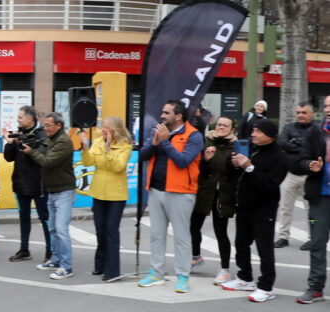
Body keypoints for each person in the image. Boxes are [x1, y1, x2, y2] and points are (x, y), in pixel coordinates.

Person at [138, 100, 203, 292]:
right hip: (156, 189)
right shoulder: (159, 130)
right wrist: (154, 144)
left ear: (179, 116)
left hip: (181, 192)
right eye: (162, 112)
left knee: (181, 237)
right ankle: (156, 272)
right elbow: (143, 155)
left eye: (166, 113)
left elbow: (183, 161)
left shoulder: (194, 135)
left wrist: (164, 142)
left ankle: (183, 276)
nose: (162, 116)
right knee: (156, 235)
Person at [222, 119, 287, 302]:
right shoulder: (249, 146)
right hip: (244, 205)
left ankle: (266, 287)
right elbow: (230, 166)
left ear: (270, 136)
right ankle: (244, 278)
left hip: (264, 208)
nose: (253, 134)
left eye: (258, 131)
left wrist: (249, 168)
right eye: (253, 131)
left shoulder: (279, 157)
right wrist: (234, 162)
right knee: (241, 243)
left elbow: (270, 184)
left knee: (264, 247)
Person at [24, 113, 77, 279]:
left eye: (48, 125)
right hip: (52, 190)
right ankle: (55, 260)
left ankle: (66, 267)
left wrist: (31, 151)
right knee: (53, 228)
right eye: (45, 125)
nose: (45, 128)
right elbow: (43, 153)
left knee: (61, 230)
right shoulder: (51, 138)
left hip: (64, 191)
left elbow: (47, 161)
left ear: (58, 126)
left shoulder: (64, 142)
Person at [79, 116, 132, 281]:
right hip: (98, 192)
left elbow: (118, 167)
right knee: (100, 231)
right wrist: (84, 147)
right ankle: (100, 265)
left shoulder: (125, 145)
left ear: (116, 130)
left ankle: (113, 271)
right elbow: (88, 163)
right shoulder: (98, 142)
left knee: (111, 230)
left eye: (107, 128)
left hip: (116, 195)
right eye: (103, 127)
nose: (104, 131)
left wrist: (109, 150)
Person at [191, 116, 238, 284]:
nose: (222, 127)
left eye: (226, 125)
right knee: (193, 226)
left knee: (220, 232)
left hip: (223, 194)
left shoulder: (235, 146)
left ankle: (224, 269)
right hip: (204, 191)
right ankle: (195, 256)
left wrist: (236, 164)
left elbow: (236, 173)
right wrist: (206, 159)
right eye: (219, 124)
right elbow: (199, 168)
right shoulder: (206, 141)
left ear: (232, 130)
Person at [3, 106, 52, 263]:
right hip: (20, 183)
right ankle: (24, 249)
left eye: (20, 117)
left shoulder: (42, 135)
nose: (17, 120)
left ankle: (50, 251)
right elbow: (8, 158)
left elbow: (41, 157)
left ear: (30, 119)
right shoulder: (19, 134)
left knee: (45, 218)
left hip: (39, 184)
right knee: (24, 217)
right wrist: (11, 143)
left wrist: (26, 145)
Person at [296, 95, 330, 304]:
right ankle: (315, 287)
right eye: (326, 105)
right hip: (320, 196)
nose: (328, 109)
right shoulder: (316, 132)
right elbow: (300, 160)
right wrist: (310, 165)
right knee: (317, 243)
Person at [275, 102, 315, 249]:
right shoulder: (289, 127)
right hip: (290, 174)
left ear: (311, 114)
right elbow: (281, 142)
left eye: (304, 112)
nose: (300, 115)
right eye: (298, 112)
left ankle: (313, 237)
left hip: (309, 176)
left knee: (310, 210)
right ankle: (283, 236)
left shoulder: (316, 130)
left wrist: (295, 144)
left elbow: (315, 149)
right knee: (285, 207)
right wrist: (301, 146)